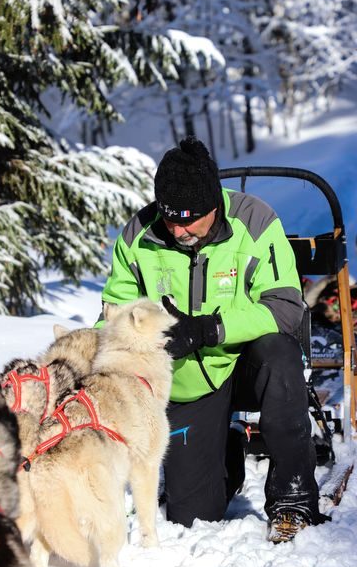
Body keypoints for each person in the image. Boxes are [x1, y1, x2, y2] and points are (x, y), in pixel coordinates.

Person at [98, 135, 327, 543]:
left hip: (247, 362)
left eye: (190, 219)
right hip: (188, 382)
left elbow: (286, 306)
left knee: (281, 355)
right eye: (171, 219)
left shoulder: (255, 222)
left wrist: (210, 328)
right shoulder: (138, 235)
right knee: (191, 514)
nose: (180, 229)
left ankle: (293, 497)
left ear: (214, 204)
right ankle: (229, 450)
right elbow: (114, 313)